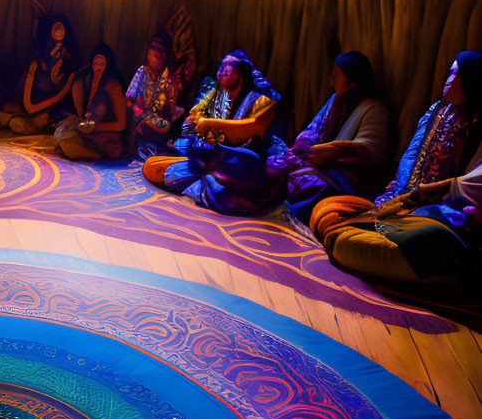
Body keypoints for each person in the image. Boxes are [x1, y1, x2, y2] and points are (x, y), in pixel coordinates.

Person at [310, 52, 482, 282]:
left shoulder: (477, 123)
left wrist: (435, 191)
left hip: (445, 214)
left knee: (354, 238)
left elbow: (474, 183)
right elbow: (410, 159)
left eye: (455, 73)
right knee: (326, 212)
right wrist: (397, 192)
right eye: (450, 71)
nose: (448, 78)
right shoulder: (436, 112)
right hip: (401, 201)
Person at [143, 50, 287, 216]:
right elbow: (193, 118)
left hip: (241, 165)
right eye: (220, 70)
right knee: (152, 168)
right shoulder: (217, 94)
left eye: (226, 71)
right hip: (211, 159)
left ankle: (209, 187)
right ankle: (205, 183)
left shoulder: (260, 98)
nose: (219, 74)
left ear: (241, 74)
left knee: (224, 190)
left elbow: (254, 128)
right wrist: (199, 121)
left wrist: (210, 123)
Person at [283, 51, 391, 223]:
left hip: (348, 178)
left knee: (310, 185)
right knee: (281, 165)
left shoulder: (374, 108)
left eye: (336, 74)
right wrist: (305, 151)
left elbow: (371, 150)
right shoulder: (335, 100)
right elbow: (312, 131)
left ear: (352, 81)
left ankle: (289, 217)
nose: (332, 79)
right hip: (322, 166)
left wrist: (333, 152)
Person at [0, 15, 80, 135]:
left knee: (48, 120)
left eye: (60, 29)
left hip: (52, 110)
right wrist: (31, 109)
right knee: (16, 115)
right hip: (32, 107)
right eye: (55, 29)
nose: (58, 32)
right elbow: (26, 96)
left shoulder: (69, 64)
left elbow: (62, 94)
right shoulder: (37, 64)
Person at [54, 43, 128, 161]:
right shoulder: (85, 81)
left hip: (106, 135)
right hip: (87, 133)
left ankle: (91, 154)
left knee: (114, 150)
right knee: (64, 137)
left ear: (108, 66)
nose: (98, 68)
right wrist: (81, 125)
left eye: (102, 64)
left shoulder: (113, 87)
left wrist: (95, 127)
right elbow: (81, 116)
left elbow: (121, 124)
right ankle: (81, 150)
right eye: (96, 64)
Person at [125, 31, 184, 156]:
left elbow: (173, 106)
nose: (152, 59)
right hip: (141, 118)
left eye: (157, 56)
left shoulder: (170, 79)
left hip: (161, 121)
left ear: (166, 57)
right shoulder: (142, 73)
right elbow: (128, 98)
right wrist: (139, 111)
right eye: (151, 54)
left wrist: (176, 112)